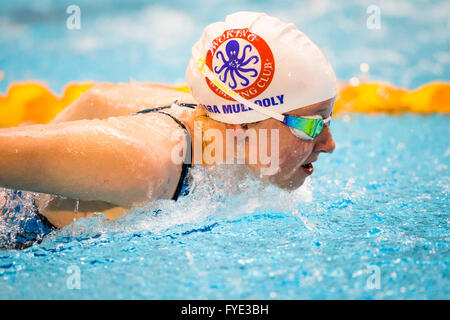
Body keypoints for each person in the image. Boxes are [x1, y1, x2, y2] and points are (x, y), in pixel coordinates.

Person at [0, 12, 336, 248]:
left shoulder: (215, 118)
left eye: (328, 122)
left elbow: (98, 98)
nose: (329, 143)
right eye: (311, 125)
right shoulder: (148, 162)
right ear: (244, 123)